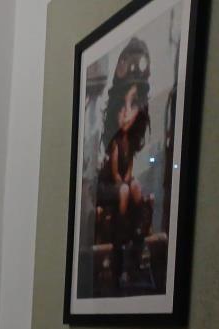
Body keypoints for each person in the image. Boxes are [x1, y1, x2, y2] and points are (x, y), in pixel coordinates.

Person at [97, 37, 152, 284]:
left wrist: (130, 183)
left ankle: (138, 237)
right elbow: (116, 174)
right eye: (123, 106)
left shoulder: (130, 142)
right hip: (107, 187)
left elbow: (128, 171)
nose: (127, 112)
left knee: (135, 187)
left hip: (122, 186)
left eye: (133, 105)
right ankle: (120, 244)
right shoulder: (116, 143)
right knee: (123, 191)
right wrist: (124, 183)